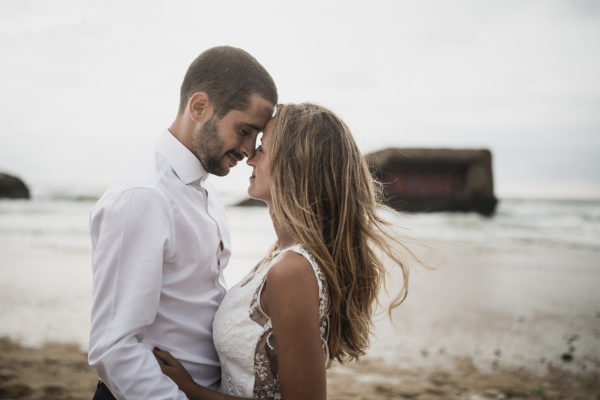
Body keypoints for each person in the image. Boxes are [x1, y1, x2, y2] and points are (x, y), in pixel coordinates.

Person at [154, 103, 412, 399]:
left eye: (262, 148)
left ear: (295, 165)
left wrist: (191, 391)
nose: (249, 157)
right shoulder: (280, 254)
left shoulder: (292, 270)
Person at [88, 46, 277, 399]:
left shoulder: (206, 192)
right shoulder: (144, 196)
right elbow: (114, 349)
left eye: (257, 138)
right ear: (199, 107)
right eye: (245, 130)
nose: (250, 150)